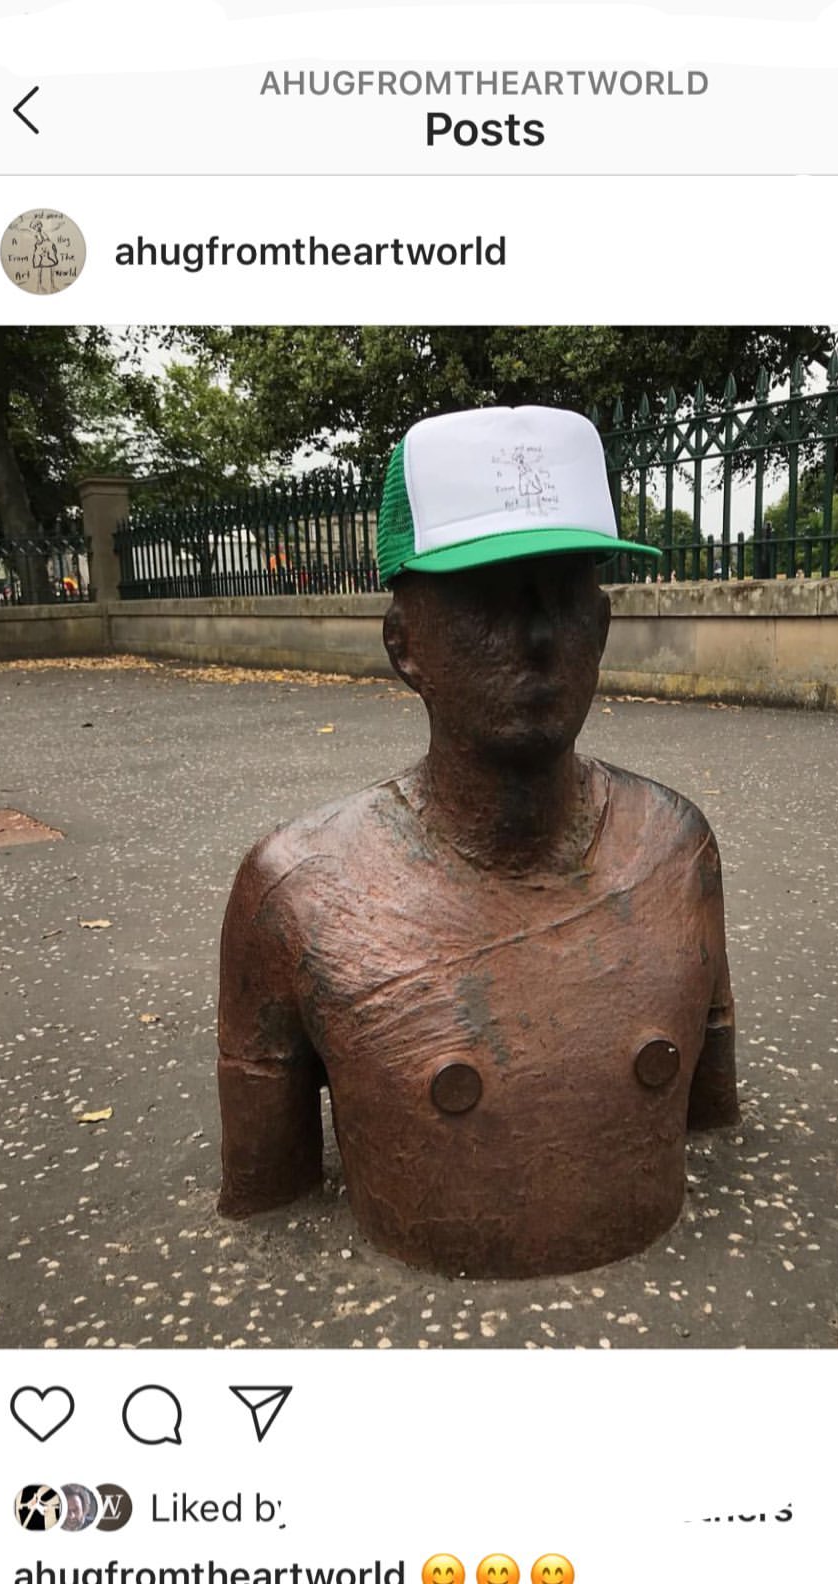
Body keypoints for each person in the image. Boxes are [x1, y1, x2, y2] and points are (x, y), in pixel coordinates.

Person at [218, 404, 739, 1277]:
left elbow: (709, 1112)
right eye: (489, 599)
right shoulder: (296, 892)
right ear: (404, 644)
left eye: (565, 594)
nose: (537, 638)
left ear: (603, 627)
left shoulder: (677, 850)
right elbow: (267, 1185)